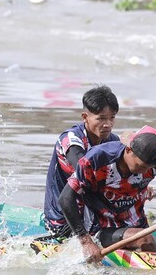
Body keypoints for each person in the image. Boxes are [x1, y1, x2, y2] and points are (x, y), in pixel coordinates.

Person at [58, 126, 156, 263]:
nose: (145, 172)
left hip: (137, 226)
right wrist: (85, 241)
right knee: (146, 239)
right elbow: (65, 198)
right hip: (100, 229)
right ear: (129, 150)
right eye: (142, 166)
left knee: (146, 238)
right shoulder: (96, 159)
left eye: (151, 168)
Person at [44, 86, 120, 239]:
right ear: (85, 117)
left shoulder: (112, 141)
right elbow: (84, 169)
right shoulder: (71, 140)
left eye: (111, 118)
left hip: (96, 216)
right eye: (101, 118)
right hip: (64, 220)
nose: (108, 124)